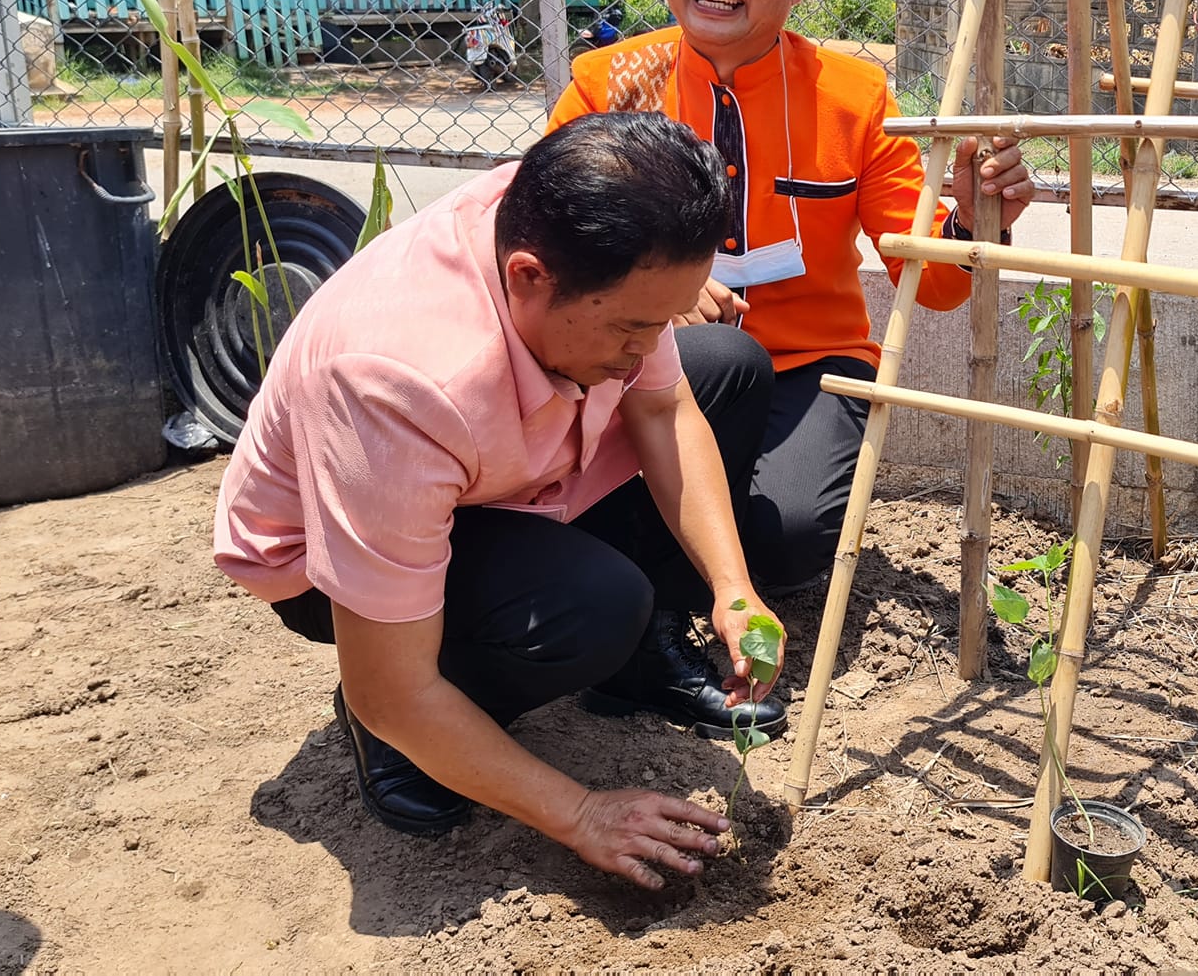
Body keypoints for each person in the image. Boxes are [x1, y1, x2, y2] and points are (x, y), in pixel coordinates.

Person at [213, 113, 786, 884]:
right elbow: (397, 690)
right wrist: (581, 812)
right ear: (527, 277)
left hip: (488, 471)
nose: (648, 350)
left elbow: (663, 407)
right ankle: (395, 735)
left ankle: (639, 658)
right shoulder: (391, 380)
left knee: (730, 369)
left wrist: (734, 588)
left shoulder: (569, 226)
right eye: (631, 327)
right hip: (329, 559)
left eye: (658, 323)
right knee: (595, 604)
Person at [546, 0, 1038, 665]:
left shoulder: (854, 97)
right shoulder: (614, 83)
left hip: (812, 363)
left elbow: (938, 288)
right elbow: (544, 232)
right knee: (710, 355)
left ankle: (697, 543)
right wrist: (655, 288)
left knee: (790, 540)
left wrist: (973, 223)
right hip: (654, 363)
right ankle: (654, 599)